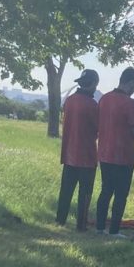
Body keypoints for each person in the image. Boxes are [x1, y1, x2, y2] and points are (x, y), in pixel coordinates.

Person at [95, 66, 134, 237]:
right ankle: (114, 230)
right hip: (123, 156)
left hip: (105, 153)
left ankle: (99, 227)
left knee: (106, 190)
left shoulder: (104, 99)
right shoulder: (129, 103)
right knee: (121, 194)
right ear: (130, 83)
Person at [56, 68, 99, 230]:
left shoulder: (69, 101)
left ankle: (60, 220)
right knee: (85, 193)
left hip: (68, 153)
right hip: (87, 155)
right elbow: (98, 128)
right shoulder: (93, 105)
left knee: (66, 191)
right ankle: (81, 225)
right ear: (94, 84)